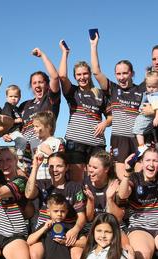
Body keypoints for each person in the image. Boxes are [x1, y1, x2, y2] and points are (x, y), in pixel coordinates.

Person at [89, 33, 144, 179]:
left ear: (132, 73)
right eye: (118, 74)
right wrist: (94, 46)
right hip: (119, 138)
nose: (121, 77)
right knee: (122, 179)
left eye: (125, 73)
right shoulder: (112, 89)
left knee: (139, 178)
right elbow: (96, 71)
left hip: (137, 138)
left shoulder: (141, 89)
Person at [58, 40, 108, 181]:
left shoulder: (99, 93)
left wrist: (105, 123)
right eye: (78, 75)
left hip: (97, 144)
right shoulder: (72, 92)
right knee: (77, 183)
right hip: (76, 143)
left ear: (90, 74)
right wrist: (65, 53)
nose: (82, 77)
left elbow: (111, 116)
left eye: (85, 74)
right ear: (75, 77)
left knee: (98, 182)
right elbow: (62, 76)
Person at [19, 48, 61, 153]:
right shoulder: (24, 105)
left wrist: (42, 55)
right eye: (34, 83)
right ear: (31, 86)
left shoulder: (50, 99)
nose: (37, 85)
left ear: (47, 84)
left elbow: (55, 77)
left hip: (43, 148)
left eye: (40, 82)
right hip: (24, 150)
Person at [133, 71, 158, 155]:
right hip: (148, 116)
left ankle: (141, 146)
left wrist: (157, 117)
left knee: (138, 130)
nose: (151, 89)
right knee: (150, 131)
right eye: (148, 86)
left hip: (146, 117)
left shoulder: (156, 95)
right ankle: (155, 143)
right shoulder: (150, 93)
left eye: (154, 87)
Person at [32, 111, 64, 180]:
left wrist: (49, 153)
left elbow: (63, 161)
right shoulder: (35, 144)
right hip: (38, 180)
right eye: (33, 126)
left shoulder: (58, 142)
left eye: (37, 126)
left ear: (48, 127)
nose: (34, 129)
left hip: (53, 180)